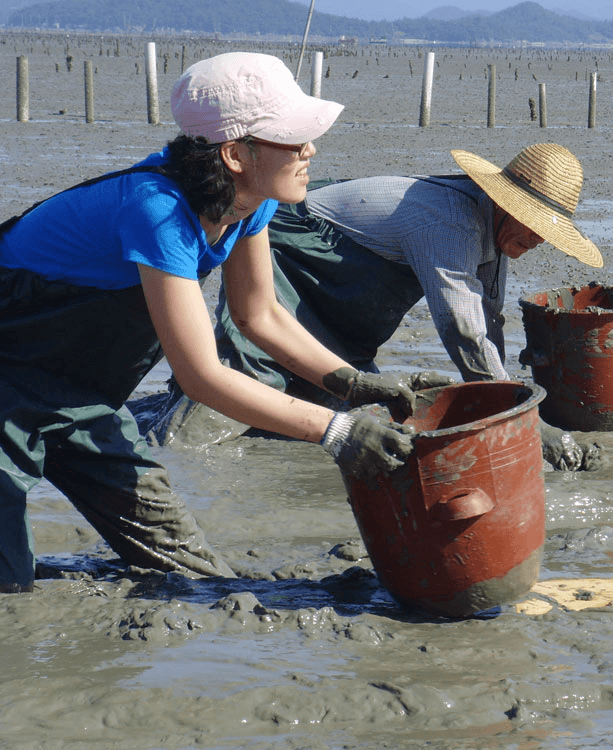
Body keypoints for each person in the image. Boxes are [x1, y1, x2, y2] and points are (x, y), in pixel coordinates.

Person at [0, 52, 447, 594]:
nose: (310, 149)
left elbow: (259, 315)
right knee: (9, 590)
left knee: (192, 571)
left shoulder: (248, 203)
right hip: (11, 384)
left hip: (80, 396)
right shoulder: (157, 210)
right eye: (293, 138)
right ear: (236, 154)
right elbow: (201, 378)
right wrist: (336, 431)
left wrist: (350, 383)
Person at [153, 142, 605, 470]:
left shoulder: (493, 235)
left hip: (341, 305)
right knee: (247, 381)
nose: (537, 240)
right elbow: (463, 330)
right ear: (505, 204)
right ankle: (165, 456)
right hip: (294, 260)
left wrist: (507, 398)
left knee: (348, 403)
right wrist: (526, 423)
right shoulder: (452, 222)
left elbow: (487, 323)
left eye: (546, 232)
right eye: (531, 224)